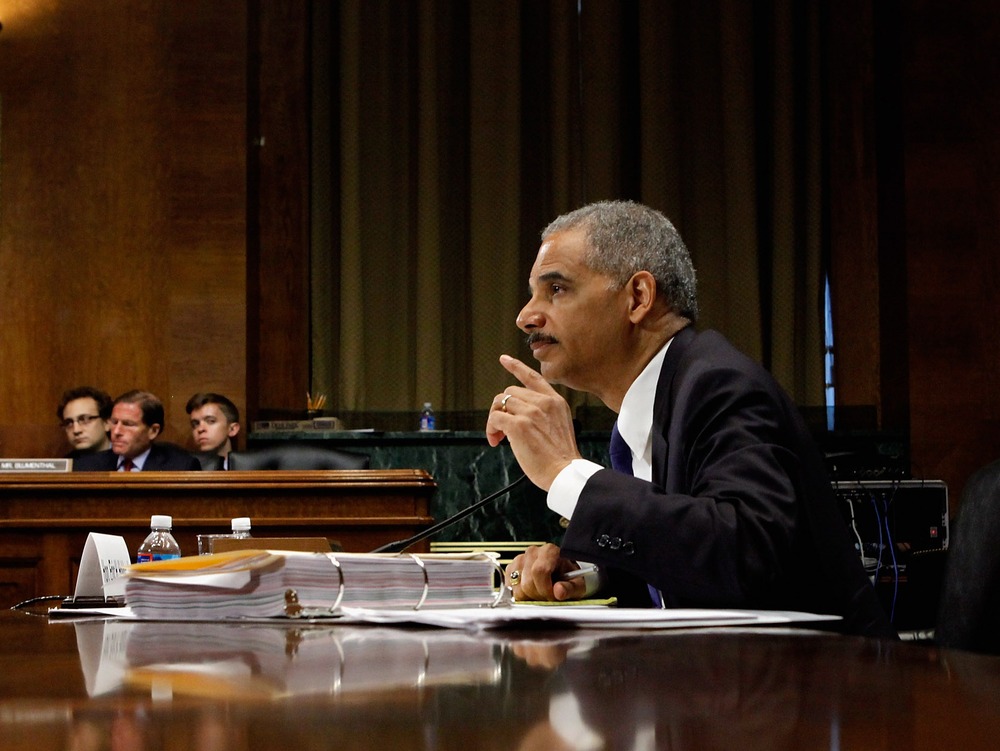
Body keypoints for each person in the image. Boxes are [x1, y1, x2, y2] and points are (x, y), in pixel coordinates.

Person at [486, 200, 894, 637]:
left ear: (638, 298)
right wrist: (586, 574)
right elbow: (689, 551)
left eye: (557, 289)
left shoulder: (719, 385)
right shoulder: (659, 399)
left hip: (821, 687)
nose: (526, 315)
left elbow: (746, 556)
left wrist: (565, 474)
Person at [72, 390, 202, 471]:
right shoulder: (86, 466)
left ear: (153, 431)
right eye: (114, 422)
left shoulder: (180, 467)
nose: (116, 431)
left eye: (128, 424)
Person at [186, 393, 240, 470]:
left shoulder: (253, 469)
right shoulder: (184, 467)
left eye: (211, 421)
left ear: (232, 429)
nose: (200, 429)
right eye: (195, 424)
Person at [56, 386, 112, 458]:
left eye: (85, 420)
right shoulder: (65, 465)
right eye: (69, 423)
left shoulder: (126, 462)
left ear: (107, 422)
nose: (76, 430)